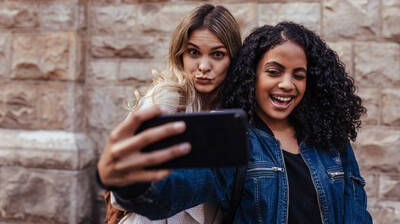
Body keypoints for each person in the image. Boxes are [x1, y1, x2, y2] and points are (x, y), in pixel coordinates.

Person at [98, 22, 372, 223]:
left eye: (298, 75)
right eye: (274, 72)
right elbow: (170, 194)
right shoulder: (234, 140)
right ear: (252, 76)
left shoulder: (332, 143)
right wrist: (127, 182)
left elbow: (356, 213)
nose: (287, 84)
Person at [97, 4, 241, 224]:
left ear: (232, 57)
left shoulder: (236, 107)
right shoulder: (165, 99)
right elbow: (124, 180)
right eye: (194, 52)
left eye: (217, 54)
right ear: (180, 54)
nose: (203, 66)